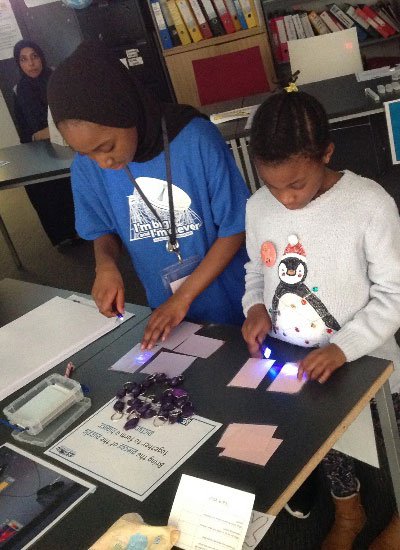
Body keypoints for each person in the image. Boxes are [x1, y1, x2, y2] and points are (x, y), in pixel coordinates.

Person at [241, 85, 400, 549]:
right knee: (326, 446)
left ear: (326, 154)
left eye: (297, 184)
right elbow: (256, 271)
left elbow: (394, 293)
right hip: (299, 365)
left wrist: (344, 347)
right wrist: (253, 306)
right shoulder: (257, 207)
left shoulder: (369, 204)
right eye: (273, 185)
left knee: (390, 439)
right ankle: (348, 511)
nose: (286, 199)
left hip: (370, 362)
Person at [47, 40, 250, 348]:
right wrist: (106, 265)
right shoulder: (87, 166)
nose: (103, 162)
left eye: (107, 147)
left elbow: (236, 228)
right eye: (86, 153)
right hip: (169, 312)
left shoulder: (195, 139)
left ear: (127, 110)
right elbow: (102, 231)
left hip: (238, 304)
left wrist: (184, 296)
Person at [13, 40, 77, 248]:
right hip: (38, 153)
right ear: (18, 64)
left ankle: (83, 229)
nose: (31, 63)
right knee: (44, 188)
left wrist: (59, 127)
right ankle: (63, 236)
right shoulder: (21, 89)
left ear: (41, 57)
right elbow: (36, 133)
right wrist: (65, 126)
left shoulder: (56, 79)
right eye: (23, 59)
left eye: (35, 56)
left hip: (68, 145)